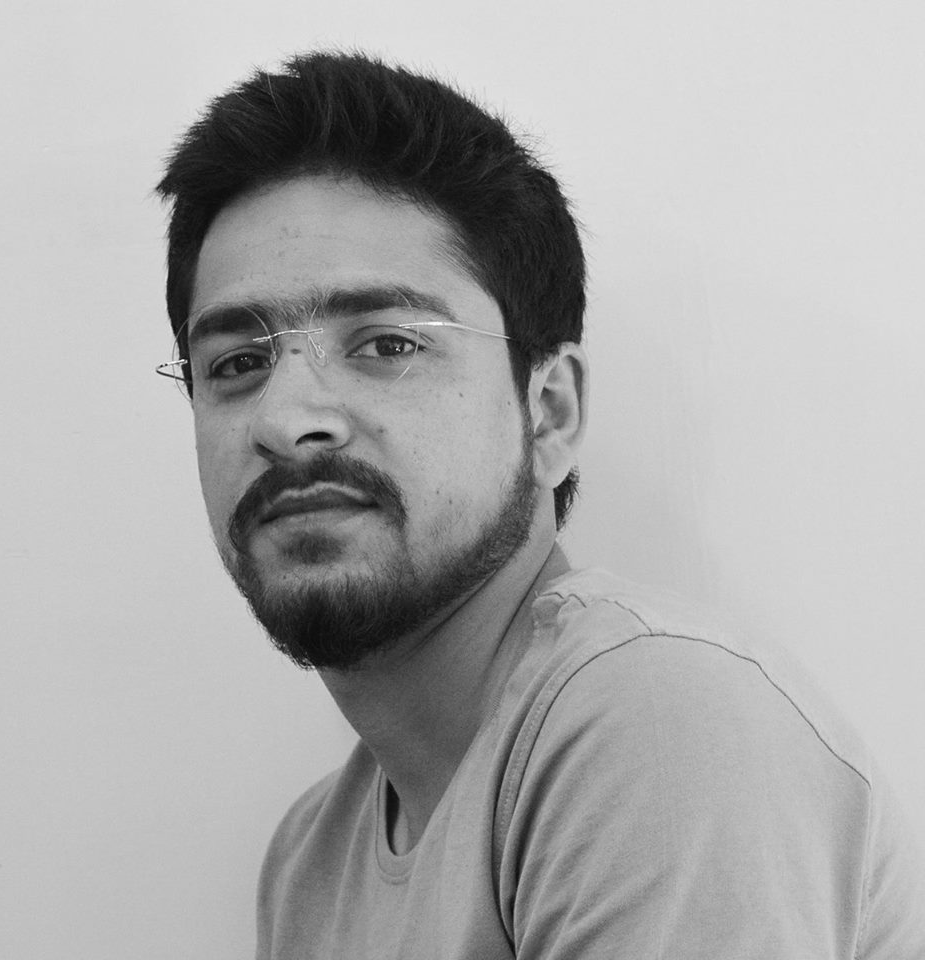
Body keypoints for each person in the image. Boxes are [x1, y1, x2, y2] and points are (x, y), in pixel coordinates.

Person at [155, 51, 925, 959]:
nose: (287, 420)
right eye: (238, 363)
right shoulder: (308, 864)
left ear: (549, 411)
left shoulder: (658, 721)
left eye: (388, 343)